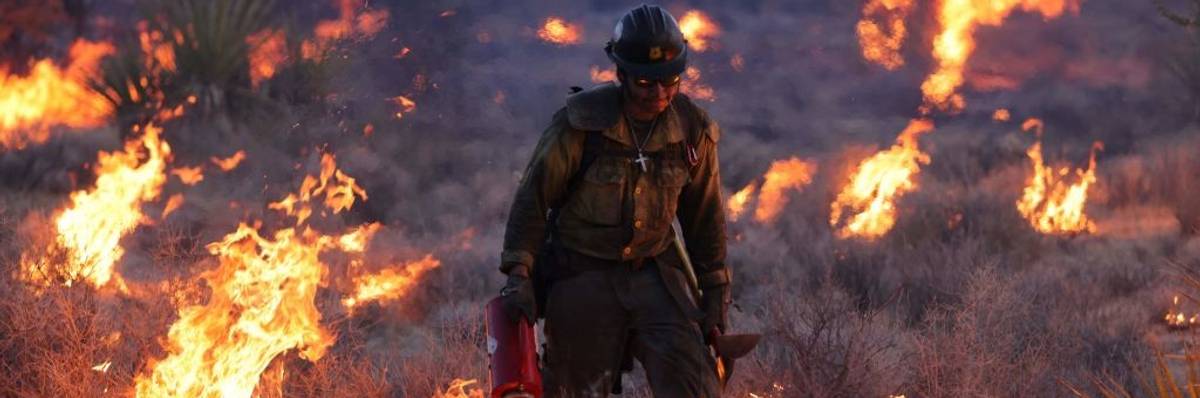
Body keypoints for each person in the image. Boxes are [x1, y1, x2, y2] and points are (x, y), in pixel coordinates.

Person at [497, 4, 730, 397]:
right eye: (644, 82)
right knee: (577, 389)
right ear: (621, 74)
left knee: (696, 384)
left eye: (669, 81)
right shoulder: (579, 125)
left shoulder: (692, 129)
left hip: (654, 273)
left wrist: (716, 290)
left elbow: (704, 217)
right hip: (582, 273)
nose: (659, 92)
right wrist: (519, 273)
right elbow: (533, 199)